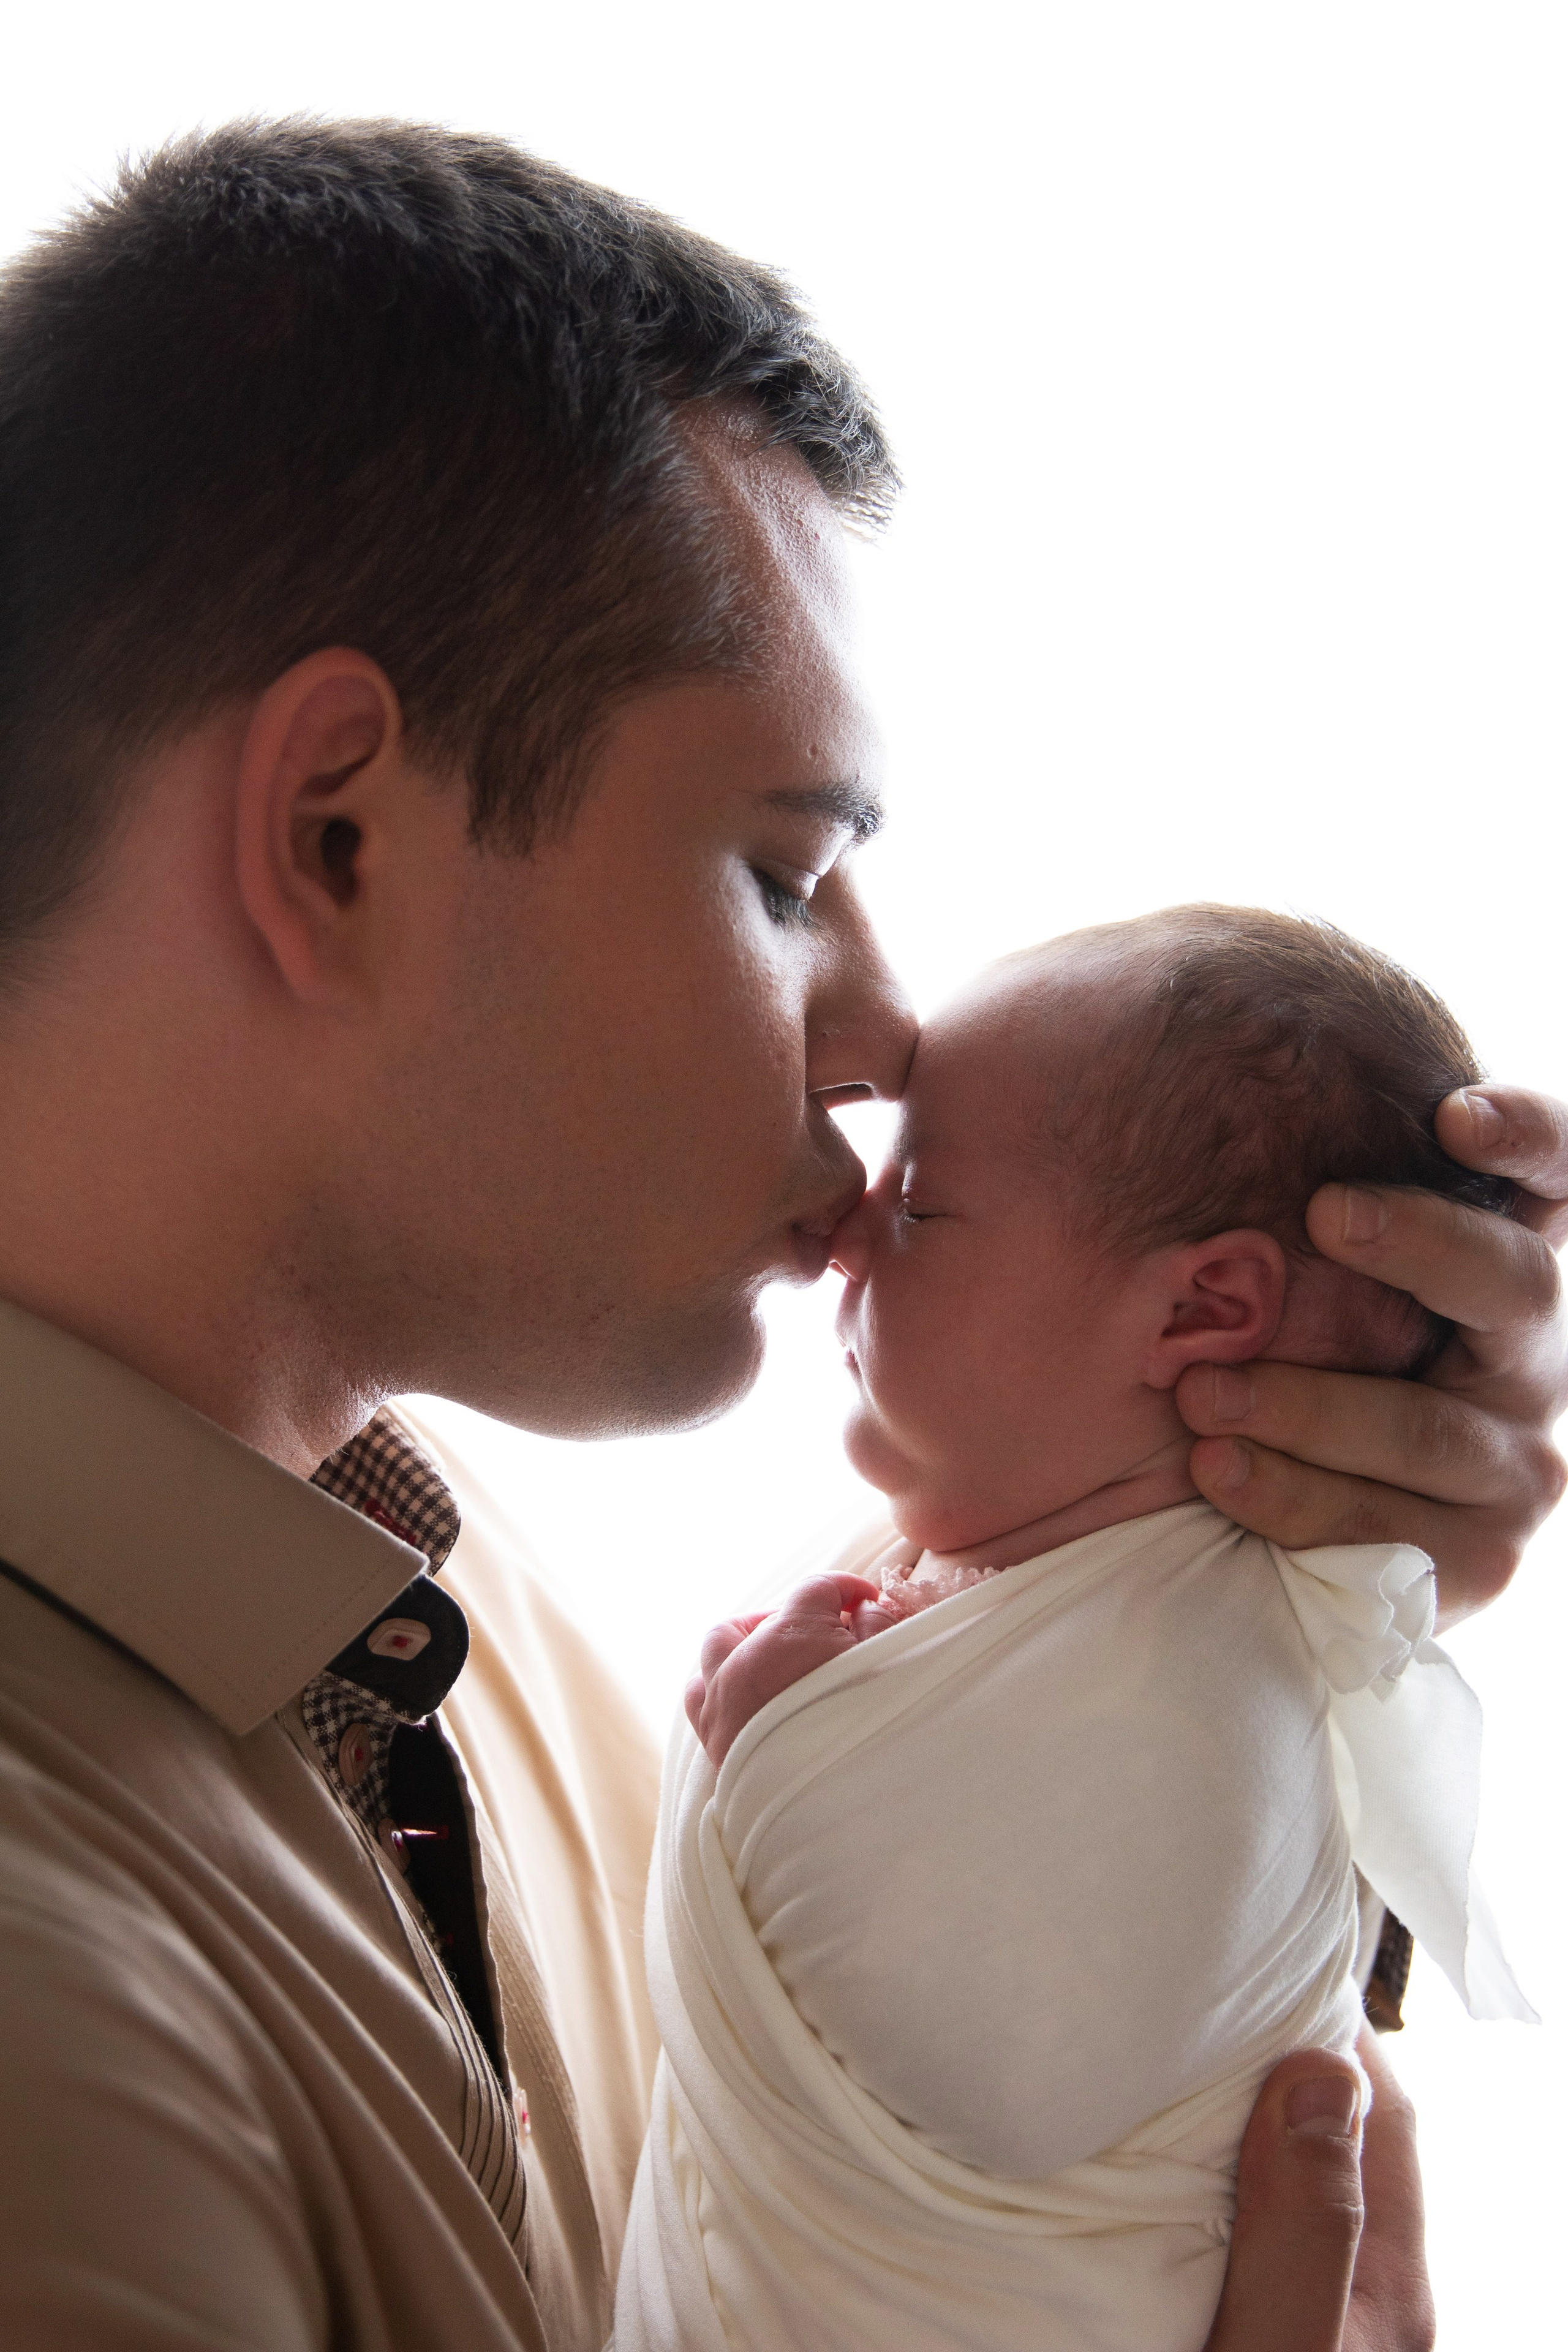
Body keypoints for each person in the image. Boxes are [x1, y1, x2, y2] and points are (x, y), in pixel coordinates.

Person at [0, 116, 1560, 2352]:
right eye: (780, 867)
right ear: (336, 839)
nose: (887, 1019)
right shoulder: (50, 2007)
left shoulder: (466, 1635)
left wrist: (1258, 1616)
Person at [631, 907, 1533, 2352]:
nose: (849, 1228)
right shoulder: (1015, 1572)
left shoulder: (1203, 1683)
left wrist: (790, 1751)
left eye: (922, 1210)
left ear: (1202, 1308)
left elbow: (1002, 2052)